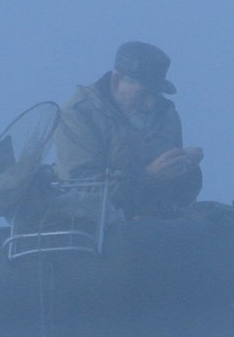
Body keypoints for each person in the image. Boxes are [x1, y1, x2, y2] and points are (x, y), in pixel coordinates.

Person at [54, 41, 204, 219]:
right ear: (116, 81)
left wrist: (186, 169)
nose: (150, 104)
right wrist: (148, 177)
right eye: (143, 93)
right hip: (101, 231)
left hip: (157, 226)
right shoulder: (79, 114)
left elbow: (181, 197)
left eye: (155, 94)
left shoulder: (167, 116)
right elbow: (81, 190)